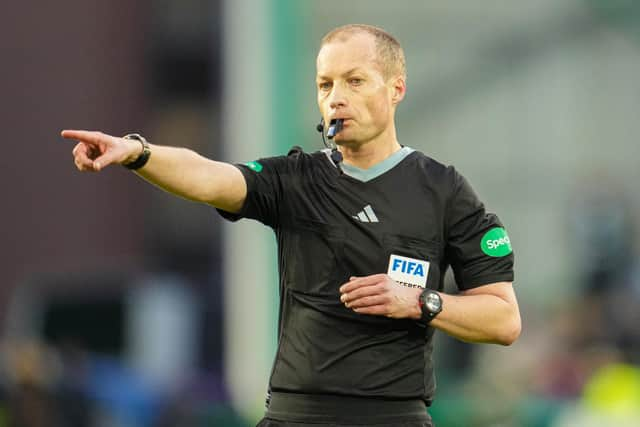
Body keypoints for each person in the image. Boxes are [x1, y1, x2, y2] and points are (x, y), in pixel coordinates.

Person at [63, 24, 521, 427]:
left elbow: (504, 319)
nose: (336, 96)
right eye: (325, 84)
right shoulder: (297, 179)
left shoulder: (442, 190)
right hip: (295, 416)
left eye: (355, 81)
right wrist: (137, 153)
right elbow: (208, 176)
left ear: (396, 89)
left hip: (394, 415)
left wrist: (422, 301)